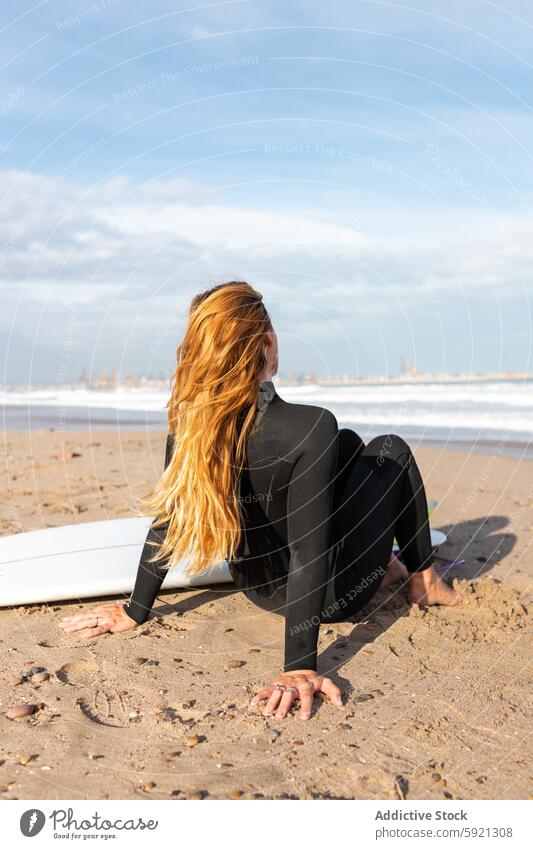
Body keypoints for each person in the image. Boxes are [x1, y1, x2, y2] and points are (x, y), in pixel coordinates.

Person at [59, 281, 460, 721]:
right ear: (268, 343)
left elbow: (167, 521)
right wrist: (299, 666)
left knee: (347, 445)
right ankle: (423, 582)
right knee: (389, 449)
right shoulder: (310, 425)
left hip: (262, 590)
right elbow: (310, 551)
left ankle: (389, 567)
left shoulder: (190, 434)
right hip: (333, 597)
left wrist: (136, 610)